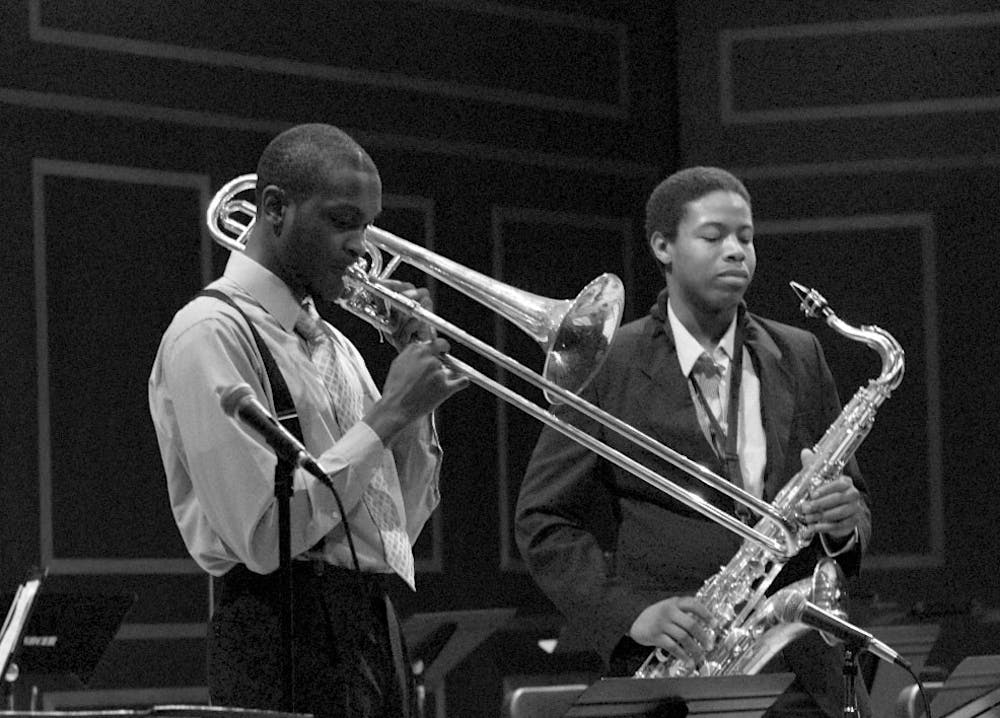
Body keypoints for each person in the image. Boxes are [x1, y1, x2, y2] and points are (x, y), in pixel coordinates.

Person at [515, 166, 872, 717]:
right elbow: (543, 521)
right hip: (677, 676)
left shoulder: (799, 353)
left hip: (804, 678)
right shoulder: (609, 364)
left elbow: (854, 504)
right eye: (713, 237)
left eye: (746, 238)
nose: (736, 252)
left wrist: (846, 524)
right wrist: (631, 614)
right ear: (663, 246)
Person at [149, 123, 467, 718]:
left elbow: (399, 525)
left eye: (367, 225)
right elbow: (264, 537)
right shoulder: (209, 332)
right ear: (274, 209)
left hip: (370, 619)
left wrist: (412, 410)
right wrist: (390, 410)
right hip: (280, 626)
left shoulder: (336, 346)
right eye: (342, 220)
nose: (360, 244)